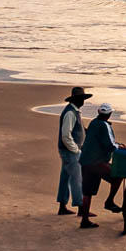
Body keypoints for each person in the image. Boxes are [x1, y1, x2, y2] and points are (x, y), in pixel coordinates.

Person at [77, 103, 126, 230]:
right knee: (118, 176)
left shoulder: (94, 123)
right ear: (110, 114)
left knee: (87, 192)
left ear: (98, 112)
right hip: (97, 162)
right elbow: (110, 146)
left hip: (85, 161)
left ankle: (84, 220)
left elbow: (99, 141)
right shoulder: (104, 125)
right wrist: (120, 146)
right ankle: (109, 201)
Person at [56, 87, 90, 216]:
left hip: (66, 150)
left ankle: (62, 206)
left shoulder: (74, 111)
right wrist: (75, 150)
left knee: (65, 177)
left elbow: (78, 128)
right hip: (69, 151)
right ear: (77, 99)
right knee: (76, 179)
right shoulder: (70, 113)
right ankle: (81, 208)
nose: (83, 101)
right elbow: (66, 135)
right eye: (82, 99)